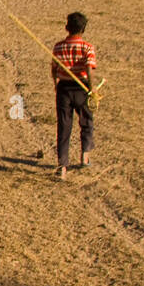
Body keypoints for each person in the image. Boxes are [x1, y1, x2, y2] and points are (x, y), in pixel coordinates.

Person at [52, 11, 96, 180]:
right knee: (86, 121)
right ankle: (85, 157)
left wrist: (56, 86)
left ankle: (62, 166)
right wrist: (92, 90)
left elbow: (54, 70)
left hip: (64, 89)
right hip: (82, 87)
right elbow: (88, 69)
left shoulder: (58, 47)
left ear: (66, 28)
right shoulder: (87, 47)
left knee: (64, 126)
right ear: (83, 29)